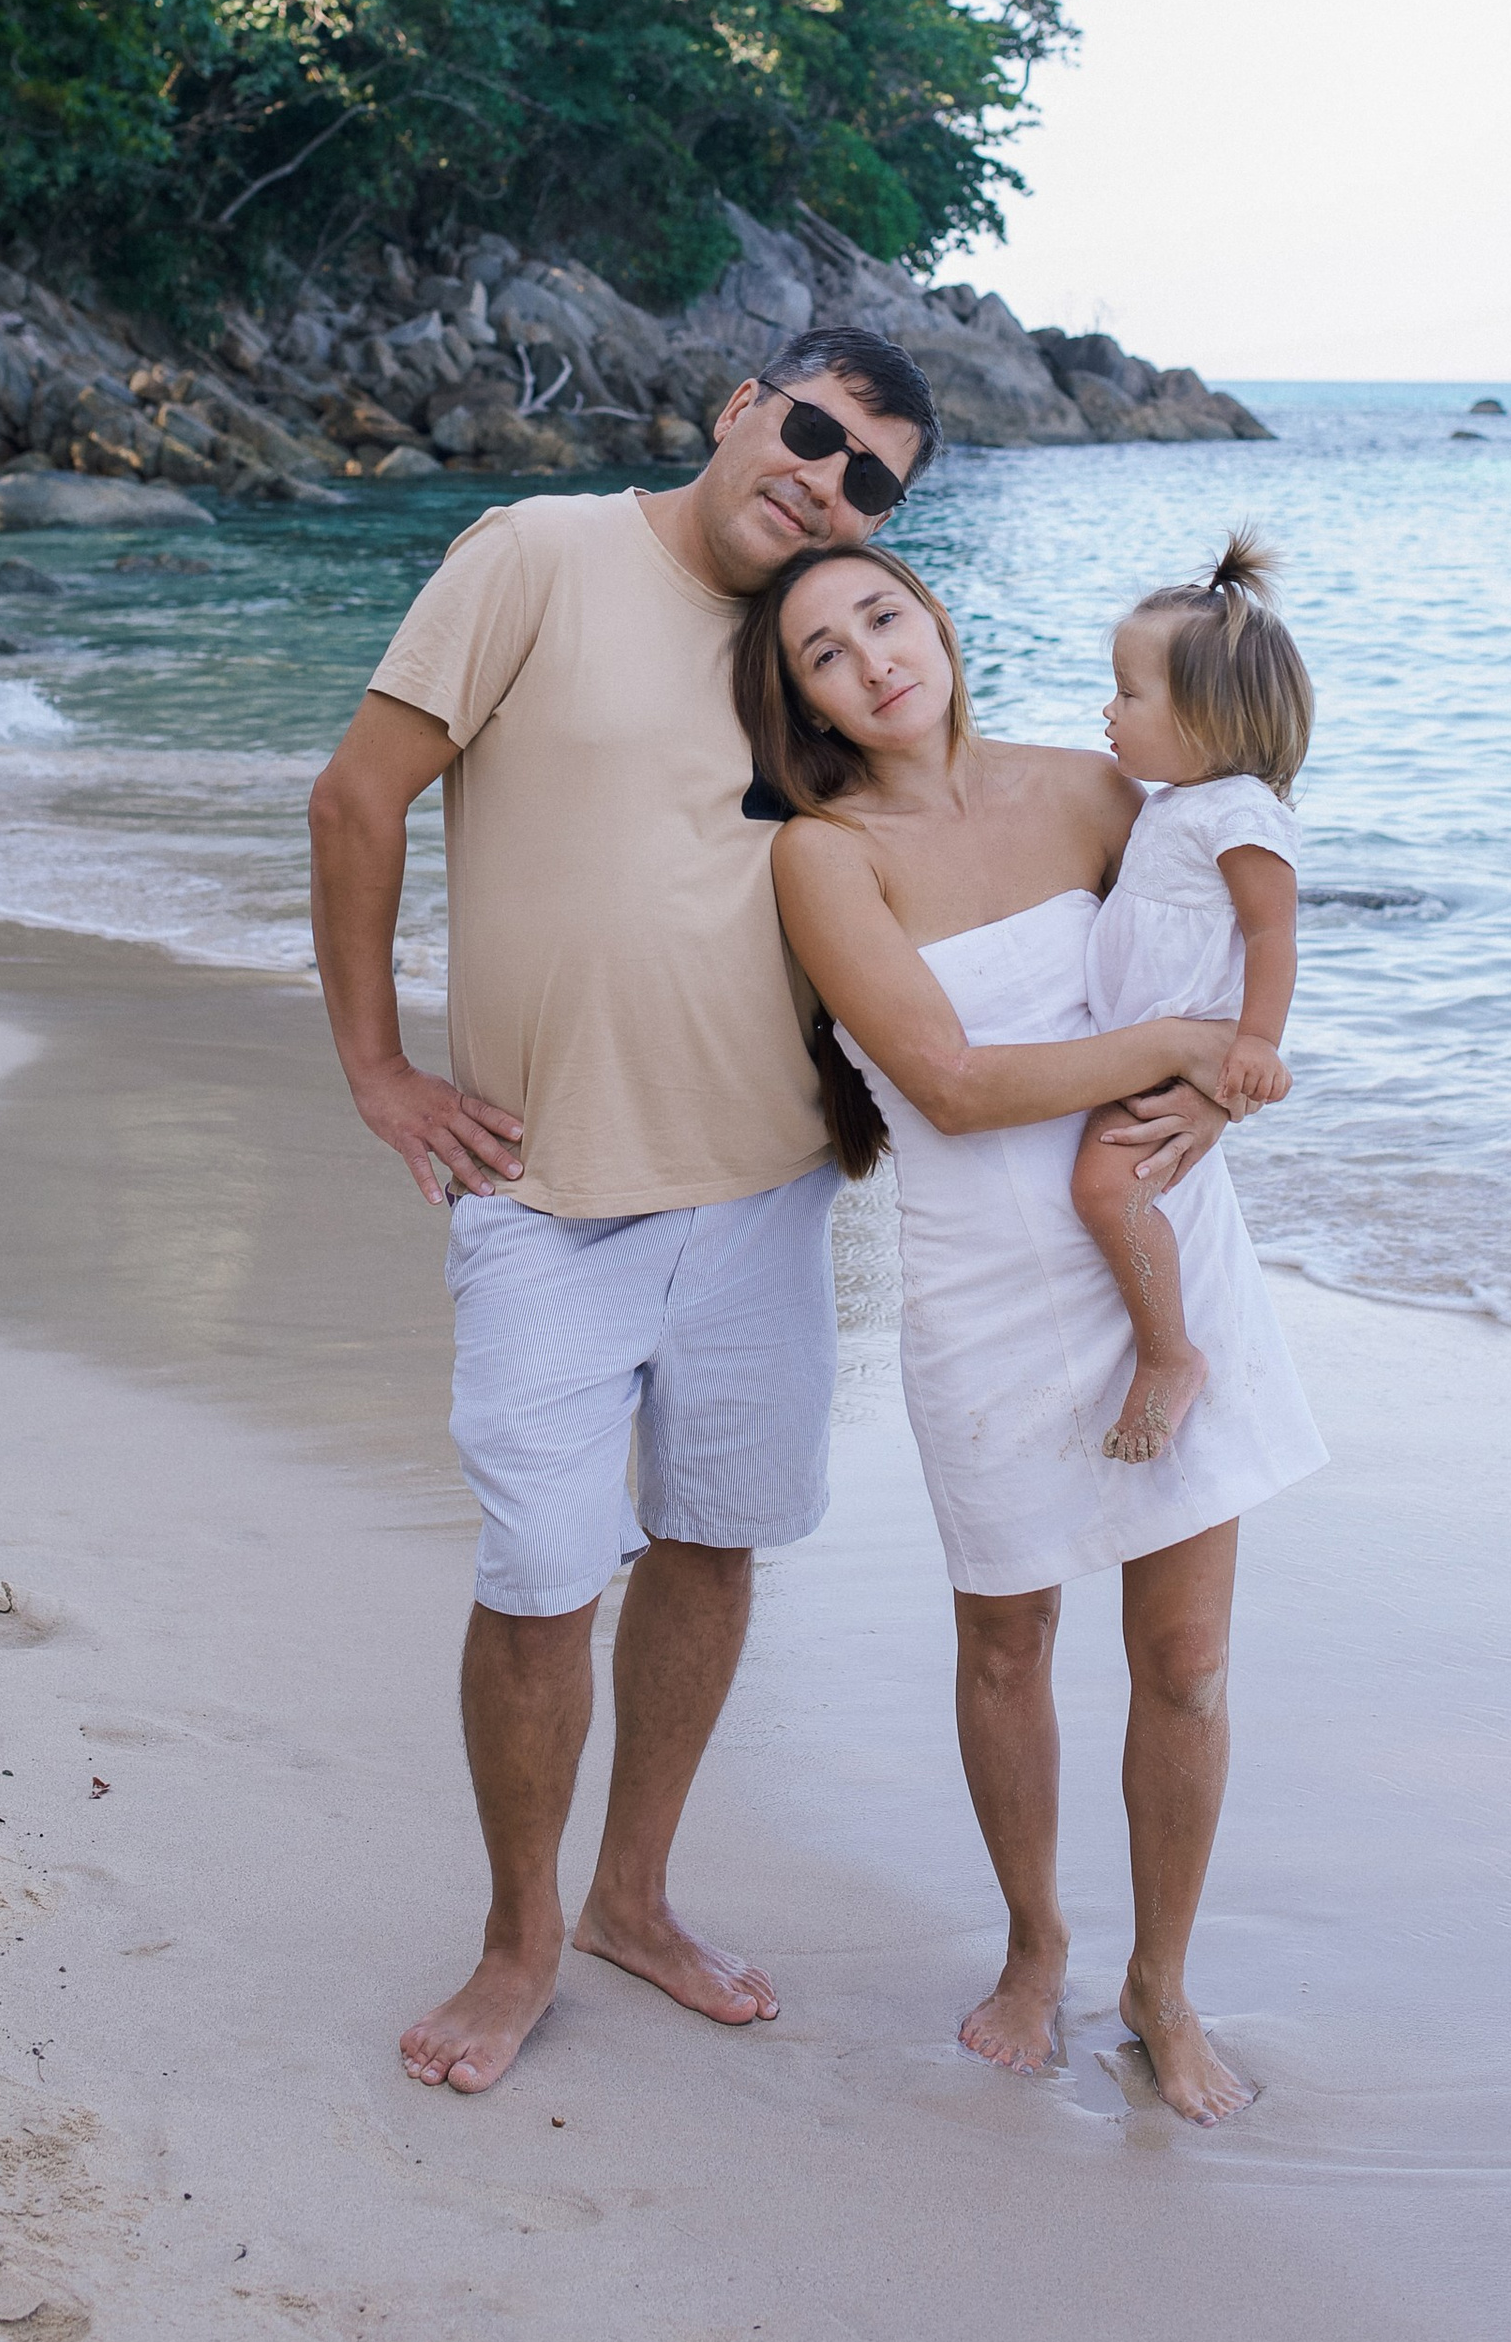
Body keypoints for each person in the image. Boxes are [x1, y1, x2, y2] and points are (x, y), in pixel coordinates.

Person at [307, 332, 1222, 2097]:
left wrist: (1214, 1043)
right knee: (542, 1574)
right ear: (741, 408)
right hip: (542, 1183)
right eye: (812, 434)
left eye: (873, 478)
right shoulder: (535, 555)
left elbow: (989, 836)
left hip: (768, 1195)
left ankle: (635, 1900)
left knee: (715, 1548)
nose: (826, 480)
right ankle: (519, 1941)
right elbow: (361, 798)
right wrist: (377, 1067)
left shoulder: (817, 653)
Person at [737, 539, 1324, 2121]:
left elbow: (1240, 917)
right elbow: (949, 1081)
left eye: (883, 615)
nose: (871, 659)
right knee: (1009, 1637)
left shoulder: (1102, 783)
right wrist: (1178, 1045)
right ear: (798, 702)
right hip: (983, 1279)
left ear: (934, 618)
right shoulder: (821, 854)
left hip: (1158, 1241)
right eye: (822, 654)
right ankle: (1034, 1946)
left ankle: (1161, 1989)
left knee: (1187, 1657)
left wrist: (1222, 1081)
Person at [1069, 533, 1310, 1468]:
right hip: (1137, 1044)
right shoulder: (1174, 802)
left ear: (1207, 718)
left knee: (1102, 1189)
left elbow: (1272, 933)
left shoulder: (1240, 811)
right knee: (1104, 1186)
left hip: (1168, 1054)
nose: (1109, 709)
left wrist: (1255, 1042)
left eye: (1130, 693)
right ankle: (1164, 1345)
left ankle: (1170, 1357)